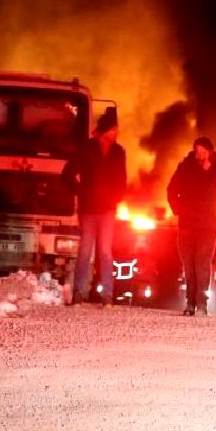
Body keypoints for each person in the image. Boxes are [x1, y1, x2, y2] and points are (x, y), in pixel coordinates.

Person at [62, 108, 127, 307]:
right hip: (89, 210)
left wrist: (116, 198)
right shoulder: (86, 149)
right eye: (114, 129)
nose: (116, 133)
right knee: (85, 251)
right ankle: (79, 293)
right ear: (105, 130)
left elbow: (122, 179)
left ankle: (107, 294)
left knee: (106, 252)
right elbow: (67, 175)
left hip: (107, 210)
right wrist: (83, 192)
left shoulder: (118, 152)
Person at [165, 137, 216, 316]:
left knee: (202, 263)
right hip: (187, 224)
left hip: (208, 225)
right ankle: (190, 303)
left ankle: (202, 304)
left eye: (203, 151)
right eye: (197, 151)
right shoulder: (186, 166)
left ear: (210, 152)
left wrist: (211, 171)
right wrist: (178, 209)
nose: (200, 155)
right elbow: (172, 188)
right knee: (188, 264)